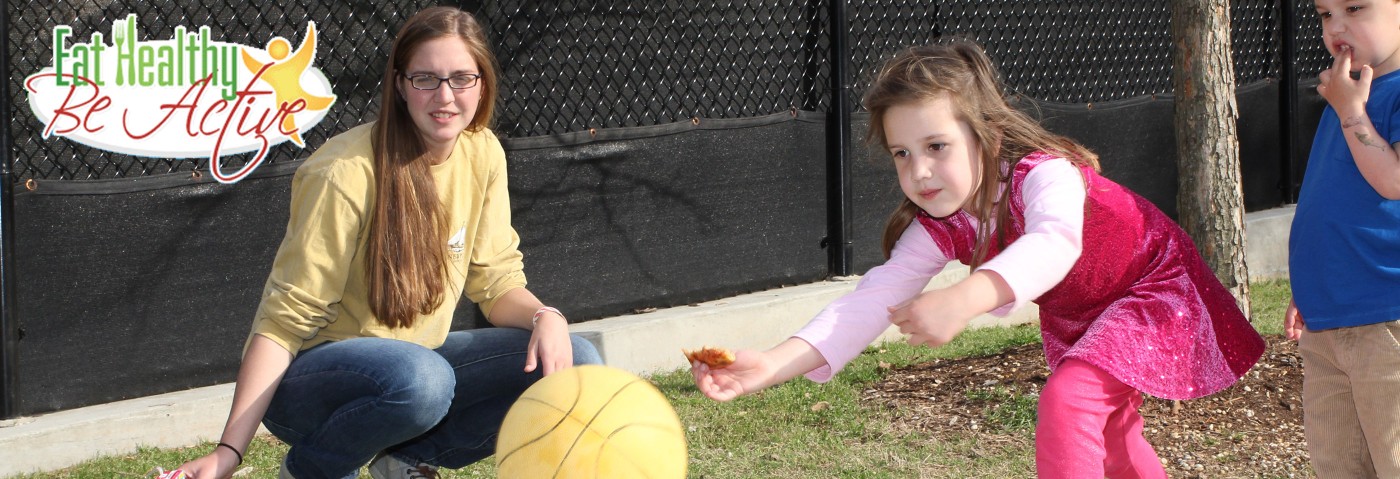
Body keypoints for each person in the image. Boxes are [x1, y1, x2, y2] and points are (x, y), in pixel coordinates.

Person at [691, 41, 1265, 478]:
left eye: (936, 147)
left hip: (1155, 287)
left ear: (986, 137)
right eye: (901, 153)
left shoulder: (1047, 175)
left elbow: (1055, 245)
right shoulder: (943, 225)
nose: (918, 171)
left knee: (1072, 401)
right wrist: (770, 364)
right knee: (1110, 434)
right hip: (1088, 314)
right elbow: (871, 300)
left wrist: (965, 298)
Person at [175, 7, 602, 479]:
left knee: (576, 359)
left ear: (482, 84)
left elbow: (497, 281)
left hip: (417, 369)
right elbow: (283, 323)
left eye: (461, 78)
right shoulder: (343, 173)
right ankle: (311, 470)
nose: (445, 96)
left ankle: (405, 462)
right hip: (312, 385)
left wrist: (547, 317)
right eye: (426, 78)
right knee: (421, 379)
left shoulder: (483, 152)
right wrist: (229, 452)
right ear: (400, 85)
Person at [1285, 0, 1400, 476]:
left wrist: (1352, 111)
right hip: (1330, 318)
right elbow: (1333, 198)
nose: (1337, 27)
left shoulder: (1364, 98)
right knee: (1339, 464)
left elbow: (1393, 182)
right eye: (1324, 14)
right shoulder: (1347, 92)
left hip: (1386, 319)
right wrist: (1311, 283)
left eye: (1355, 7)